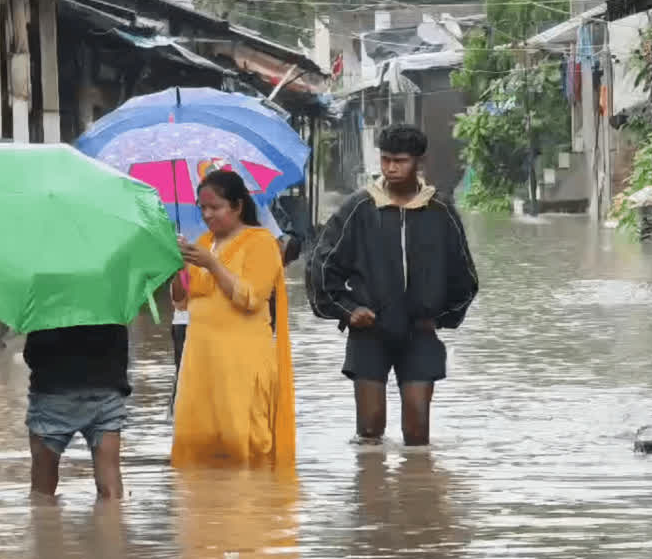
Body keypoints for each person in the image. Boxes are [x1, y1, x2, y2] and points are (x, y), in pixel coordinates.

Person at [307, 125, 477, 446]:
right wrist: (348, 310)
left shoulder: (440, 212)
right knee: (369, 430)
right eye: (385, 160)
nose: (391, 168)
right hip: (369, 333)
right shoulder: (358, 208)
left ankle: (416, 493)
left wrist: (439, 318)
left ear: (419, 162)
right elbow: (322, 266)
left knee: (417, 432)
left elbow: (465, 279)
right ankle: (372, 489)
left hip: (420, 332)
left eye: (400, 161)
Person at [170, 170, 295, 467]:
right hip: (201, 360)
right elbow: (181, 300)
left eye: (215, 207)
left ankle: (249, 511)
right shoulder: (201, 242)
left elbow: (250, 299)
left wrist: (212, 264)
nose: (207, 215)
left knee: (244, 443)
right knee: (198, 445)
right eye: (202, 208)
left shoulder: (262, 242)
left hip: (242, 360)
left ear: (237, 206)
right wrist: (176, 265)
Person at [23, 325, 128, 499]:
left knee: (42, 495)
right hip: (105, 389)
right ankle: (113, 524)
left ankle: (44, 526)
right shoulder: (111, 301)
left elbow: (31, 355)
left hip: (51, 392)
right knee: (111, 491)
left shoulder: (43, 301)